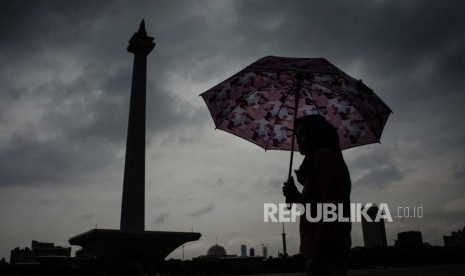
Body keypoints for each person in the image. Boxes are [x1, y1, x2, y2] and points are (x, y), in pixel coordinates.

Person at [283, 114, 351, 276]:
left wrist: (321, 249)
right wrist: (296, 197)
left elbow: (331, 205)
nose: (298, 140)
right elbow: (314, 209)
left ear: (315, 134)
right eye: (296, 135)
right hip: (317, 252)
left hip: (323, 254)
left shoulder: (324, 158)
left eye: (301, 134)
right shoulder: (318, 163)